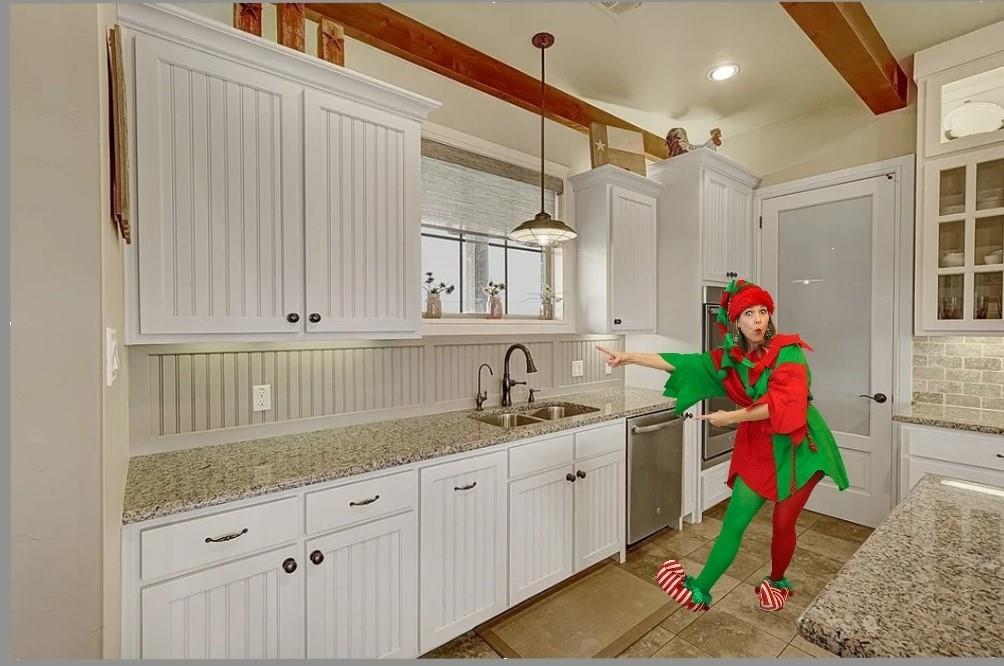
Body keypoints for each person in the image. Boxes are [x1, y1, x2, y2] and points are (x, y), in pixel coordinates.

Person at [596, 278, 849, 613]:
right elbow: (683, 362)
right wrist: (628, 357)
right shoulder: (729, 358)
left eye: (763, 312)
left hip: (799, 446)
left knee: (783, 523)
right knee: (734, 522)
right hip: (759, 445)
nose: (758, 320)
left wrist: (729, 419)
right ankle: (700, 589)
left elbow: (779, 404)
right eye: (749, 313)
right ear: (736, 323)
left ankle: (777, 581)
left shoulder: (788, 351)